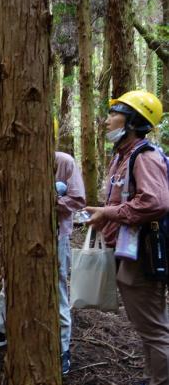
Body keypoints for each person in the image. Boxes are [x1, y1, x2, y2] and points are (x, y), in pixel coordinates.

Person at [0, 151, 85, 376]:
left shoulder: (64, 162)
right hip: (22, 235)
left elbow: (78, 199)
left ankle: (62, 350)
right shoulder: (18, 158)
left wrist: (50, 200)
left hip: (55, 237)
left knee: (57, 290)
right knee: (10, 282)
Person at [85, 91, 169, 385]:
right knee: (146, 325)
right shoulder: (122, 156)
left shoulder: (144, 157)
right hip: (126, 252)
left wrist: (109, 213)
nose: (106, 121)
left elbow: (155, 202)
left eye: (114, 114)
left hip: (143, 255)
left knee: (155, 328)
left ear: (133, 121)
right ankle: (154, 378)